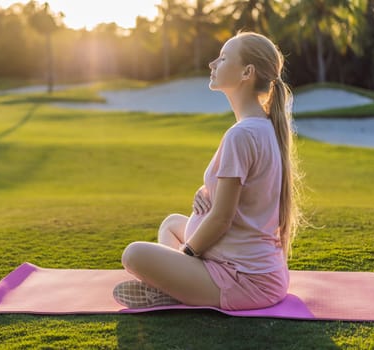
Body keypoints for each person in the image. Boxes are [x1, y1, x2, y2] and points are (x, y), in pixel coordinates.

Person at [112, 31, 302, 310]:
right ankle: (175, 287)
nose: (212, 64)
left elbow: (222, 220)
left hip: (243, 280)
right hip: (257, 275)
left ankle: (172, 288)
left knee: (133, 254)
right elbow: (245, 195)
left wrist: (187, 256)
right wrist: (207, 193)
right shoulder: (263, 128)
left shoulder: (242, 135)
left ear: (246, 73)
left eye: (223, 58)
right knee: (171, 223)